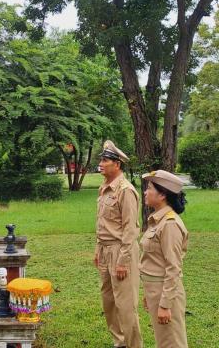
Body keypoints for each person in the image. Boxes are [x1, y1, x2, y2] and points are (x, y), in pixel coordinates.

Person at [94, 140, 143, 348]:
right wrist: (98, 249)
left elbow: (130, 229)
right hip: (105, 250)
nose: (101, 163)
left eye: (105, 160)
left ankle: (133, 345)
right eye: (101, 160)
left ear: (117, 165)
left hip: (121, 251)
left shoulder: (126, 190)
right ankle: (119, 342)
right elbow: (102, 223)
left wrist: (122, 261)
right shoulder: (104, 188)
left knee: (125, 306)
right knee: (109, 303)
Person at [140, 170, 189, 348]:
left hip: (165, 292)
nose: (145, 192)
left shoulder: (170, 224)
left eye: (150, 188)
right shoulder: (158, 221)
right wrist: (150, 295)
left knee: (172, 343)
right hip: (156, 290)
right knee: (164, 341)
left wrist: (165, 304)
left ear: (162, 195)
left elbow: (173, 268)